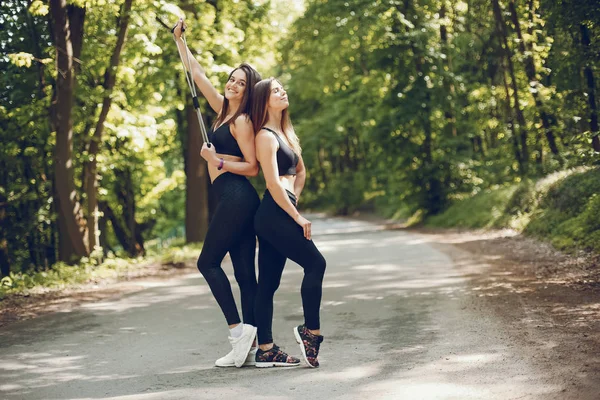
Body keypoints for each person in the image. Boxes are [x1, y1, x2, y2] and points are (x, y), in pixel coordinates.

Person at [172, 18, 261, 368]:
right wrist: (180, 41)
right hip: (230, 196)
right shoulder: (222, 110)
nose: (232, 84)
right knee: (242, 274)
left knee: (207, 262)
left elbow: (253, 166)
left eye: (241, 83)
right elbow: (196, 74)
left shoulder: (241, 121)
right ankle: (256, 345)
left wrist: (217, 160)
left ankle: (238, 333)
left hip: (238, 196)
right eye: (231, 79)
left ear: (249, 90)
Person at [251, 78, 326, 368]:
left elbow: (301, 172)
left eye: (282, 88)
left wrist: (294, 200)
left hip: (281, 209)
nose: (282, 92)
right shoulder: (265, 136)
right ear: (264, 101)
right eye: (275, 91)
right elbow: (271, 183)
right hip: (272, 214)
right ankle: (311, 332)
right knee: (316, 264)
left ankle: (266, 349)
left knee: (268, 283)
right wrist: (295, 215)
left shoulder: (285, 133)